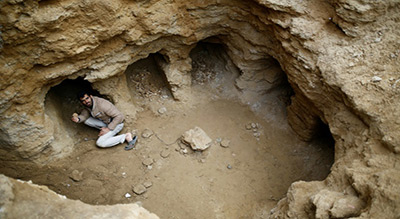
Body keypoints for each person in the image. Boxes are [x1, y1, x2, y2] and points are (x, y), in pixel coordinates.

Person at [71, 91, 137, 150]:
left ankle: (125, 136)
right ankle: (107, 132)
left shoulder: (102, 104)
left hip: (116, 124)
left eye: (87, 98)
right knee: (86, 120)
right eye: (83, 100)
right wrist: (78, 119)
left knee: (100, 143)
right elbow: (85, 114)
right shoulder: (89, 105)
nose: (86, 101)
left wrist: (108, 129)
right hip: (106, 122)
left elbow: (119, 116)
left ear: (91, 96)